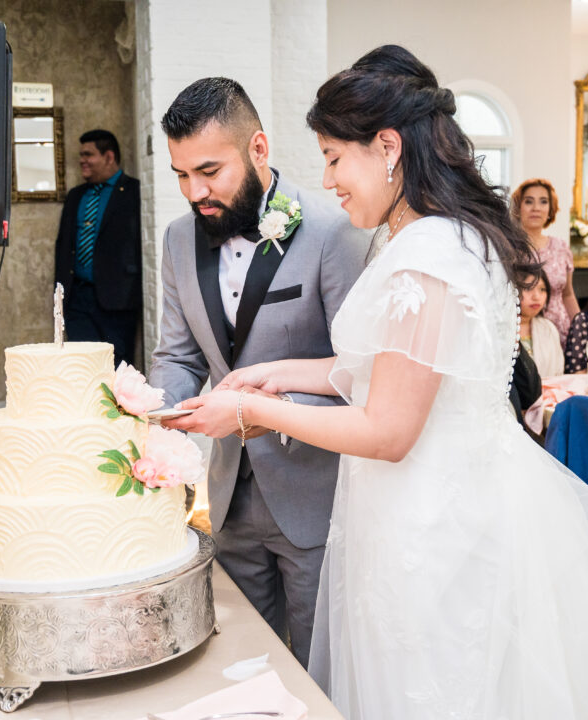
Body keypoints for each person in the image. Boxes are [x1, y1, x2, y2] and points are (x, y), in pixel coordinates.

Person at [176, 45, 588, 719]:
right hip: (441, 499)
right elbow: (386, 368)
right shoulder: (446, 237)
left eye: (336, 156)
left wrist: (253, 413)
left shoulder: (427, 257)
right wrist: (270, 373)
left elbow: (389, 429)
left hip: (434, 525)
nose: (329, 178)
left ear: (388, 146)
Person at [148, 77, 368, 667]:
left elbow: (360, 376)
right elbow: (179, 356)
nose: (195, 192)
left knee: (321, 669)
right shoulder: (175, 241)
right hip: (225, 501)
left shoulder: (334, 232)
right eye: (181, 175)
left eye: (210, 171)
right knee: (243, 663)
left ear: (259, 150)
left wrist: (262, 417)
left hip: (314, 495)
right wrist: (157, 418)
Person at [54, 129, 141, 366]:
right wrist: (60, 294)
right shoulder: (76, 195)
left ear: (109, 157)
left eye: (88, 154)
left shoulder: (135, 192)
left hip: (118, 300)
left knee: (118, 367)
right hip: (77, 299)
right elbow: (63, 245)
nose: (82, 160)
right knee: (82, 366)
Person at [511, 178, 579, 345]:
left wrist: (579, 328)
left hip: (561, 331)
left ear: (550, 209)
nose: (536, 208)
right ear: (518, 208)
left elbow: (568, 294)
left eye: (543, 202)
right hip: (524, 334)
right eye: (528, 201)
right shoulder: (509, 248)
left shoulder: (561, 247)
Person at [519, 267, 563, 377]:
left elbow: (558, 373)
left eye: (542, 289)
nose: (536, 297)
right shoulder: (498, 330)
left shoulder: (548, 328)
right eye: (528, 288)